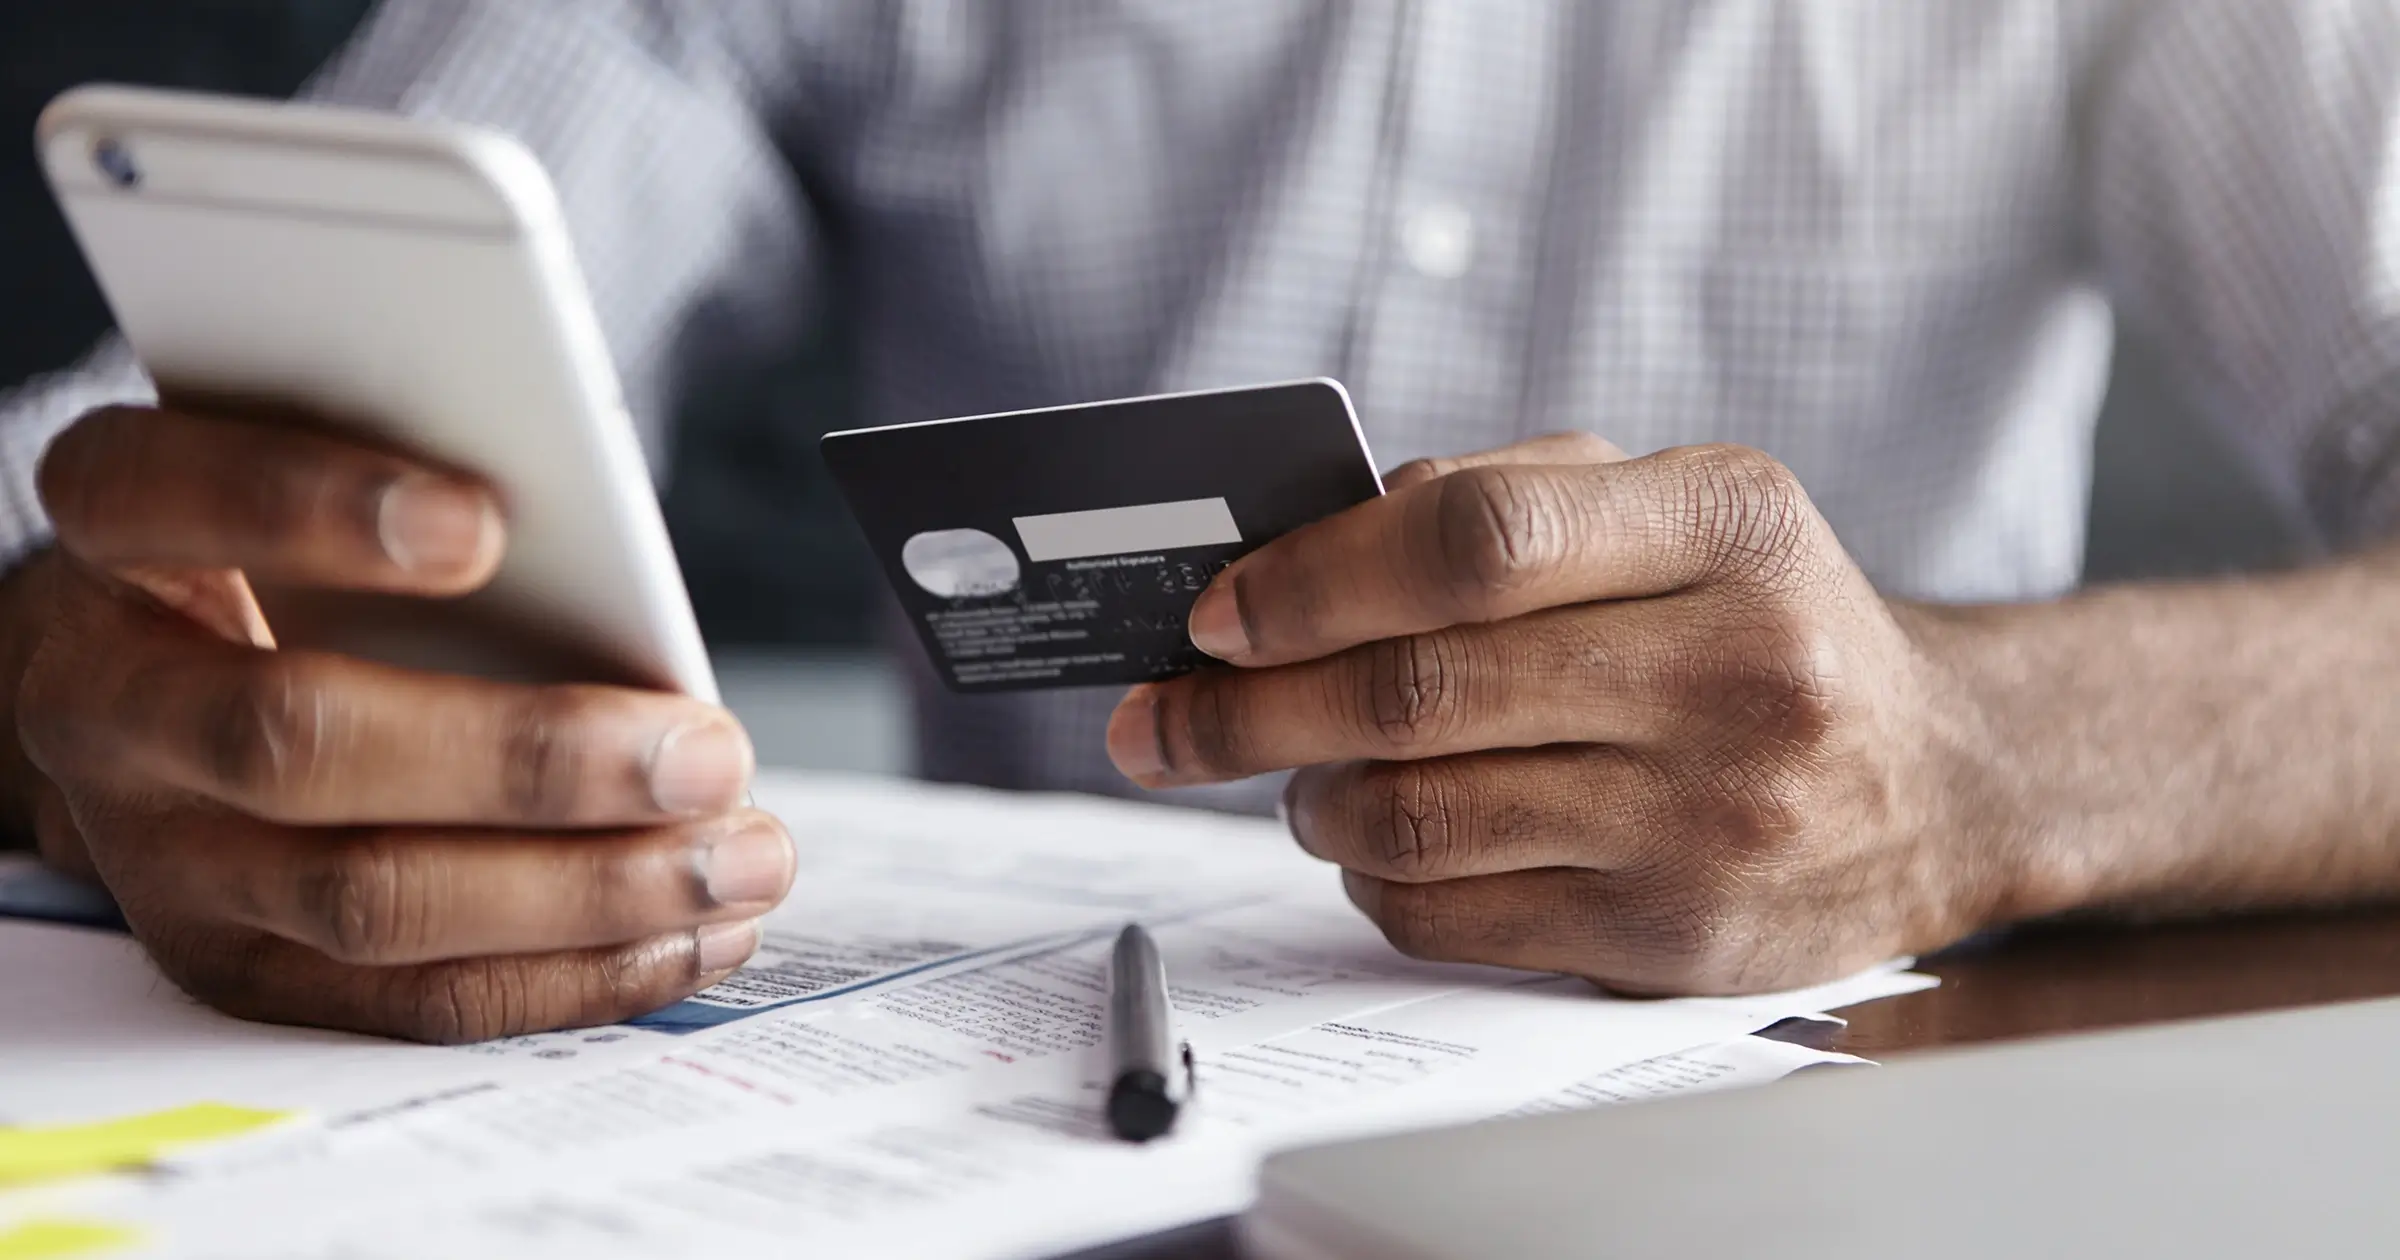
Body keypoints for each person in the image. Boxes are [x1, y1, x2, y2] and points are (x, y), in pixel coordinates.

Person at [7, 0, 2400, 1042]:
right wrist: (72, 677)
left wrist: (1981, 761)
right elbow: (171, 437)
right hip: (1012, 1129)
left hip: (1843, 1147)